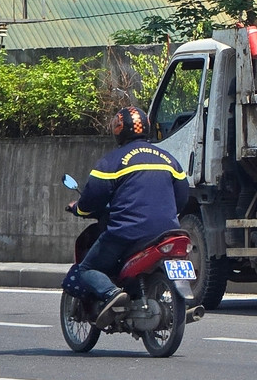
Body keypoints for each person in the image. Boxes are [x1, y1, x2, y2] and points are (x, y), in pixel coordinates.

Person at [67, 107, 189, 327]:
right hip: (167, 231)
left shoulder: (112, 162)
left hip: (126, 233)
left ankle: (112, 292)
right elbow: (182, 197)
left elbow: (92, 197)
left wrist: (78, 208)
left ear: (118, 130)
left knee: (85, 269)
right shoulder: (169, 159)